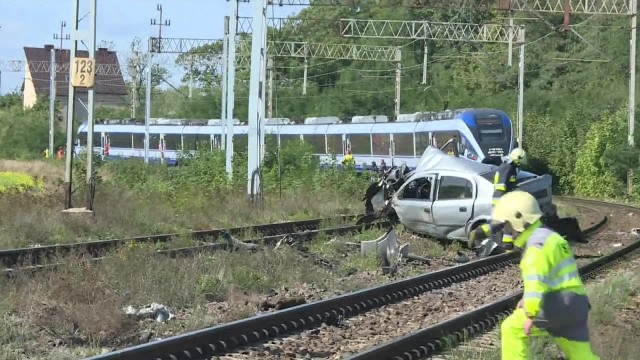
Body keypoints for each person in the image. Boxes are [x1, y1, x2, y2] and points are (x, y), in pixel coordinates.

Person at [493, 191, 599, 360]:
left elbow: (536, 280)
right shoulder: (550, 236)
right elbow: (553, 276)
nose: (507, 230)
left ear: (519, 220)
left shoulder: (536, 245)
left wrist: (531, 314)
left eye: (507, 224)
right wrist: (526, 299)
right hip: (577, 304)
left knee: (511, 328)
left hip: (557, 304)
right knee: (581, 355)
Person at [492, 147, 527, 250]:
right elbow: (502, 186)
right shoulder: (508, 167)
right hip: (502, 199)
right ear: (518, 158)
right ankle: (503, 245)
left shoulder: (506, 166)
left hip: (501, 199)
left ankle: (506, 245)